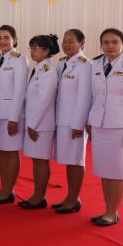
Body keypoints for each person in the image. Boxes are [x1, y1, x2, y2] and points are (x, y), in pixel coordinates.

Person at [87, 28, 123, 226]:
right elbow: (94, 96)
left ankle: (112, 213)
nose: (110, 46)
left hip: (121, 127)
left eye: (114, 42)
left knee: (118, 172)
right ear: (101, 45)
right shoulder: (96, 63)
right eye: (106, 42)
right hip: (100, 125)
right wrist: (90, 121)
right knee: (105, 170)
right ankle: (108, 210)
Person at [0, 25, 29, 205]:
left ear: (15, 40)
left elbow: (20, 91)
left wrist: (14, 118)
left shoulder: (20, 59)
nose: (2, 41)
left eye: (6, 37)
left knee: (11, 152)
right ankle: (4, 188)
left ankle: (8, 190)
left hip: (11, 114)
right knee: (2, 152)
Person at [53, 29, 92, 213]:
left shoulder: (85, 65)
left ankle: (74, 198)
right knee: (69, 160)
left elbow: (85, 97)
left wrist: (78, 124)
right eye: (64, 41)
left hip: (74, 121)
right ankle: (70, 197)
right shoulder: (62, 63)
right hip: (62, 119)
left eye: (71, 41)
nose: (66, 44)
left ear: (81, 43)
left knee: (76, 160)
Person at [19, 34, 60, 210]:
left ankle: (39, 197)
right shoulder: (38, 69)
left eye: (36, 48)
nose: (33, 51)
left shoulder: (48, 72)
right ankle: (37, 195)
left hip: (40, 125)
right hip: (34, 123)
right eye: (31, 47)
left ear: (46, 51)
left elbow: (44, 101)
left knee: (41, 160)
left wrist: (32, 124)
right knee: (37, 161)